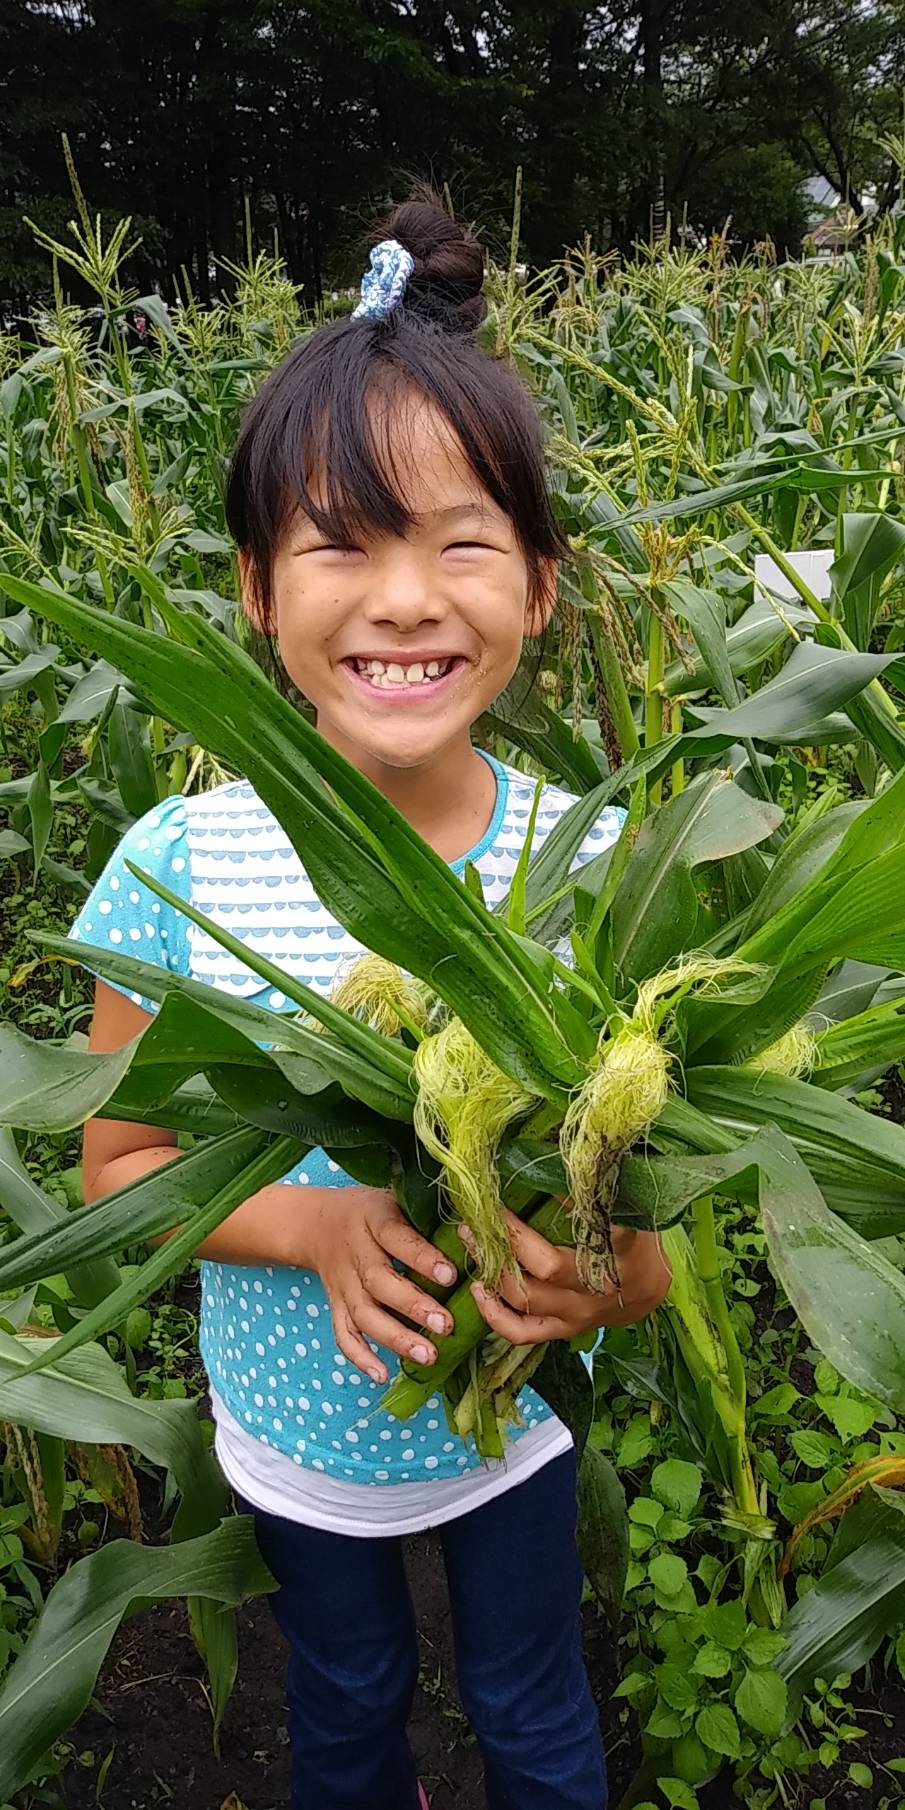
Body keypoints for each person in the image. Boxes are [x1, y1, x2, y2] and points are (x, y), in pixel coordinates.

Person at [71, 187, 671, 1810]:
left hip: (513, 1425)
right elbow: (120, 1170)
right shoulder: (180, 869)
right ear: (257, 589)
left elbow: (645, 1229)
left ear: (539, 586)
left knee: (533, 1700)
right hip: (297, 1438)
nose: (404, 598)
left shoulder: (597, 869)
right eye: (340, 543)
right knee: (341, 1703)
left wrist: (604, 1283)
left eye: (459, 543)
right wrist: (317, 1226)